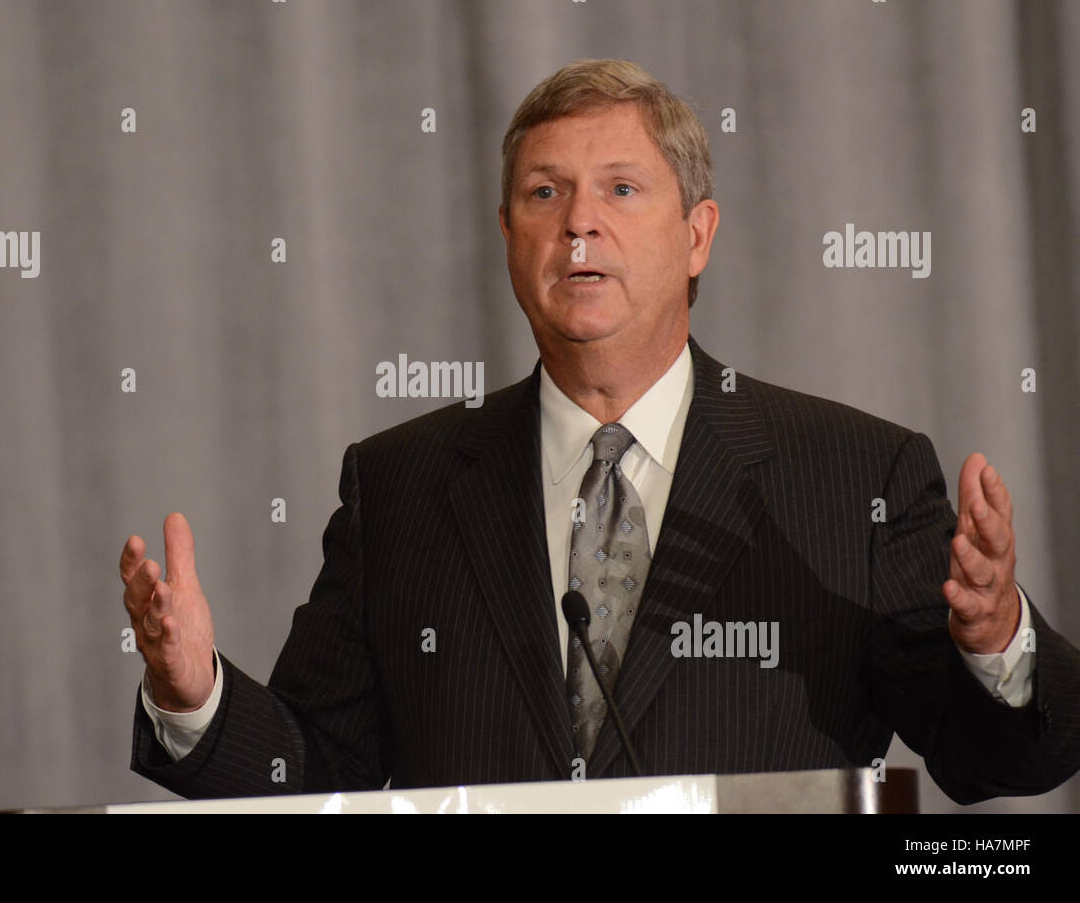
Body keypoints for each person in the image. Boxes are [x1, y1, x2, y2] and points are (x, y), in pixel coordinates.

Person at [122, 58, 1080, 803]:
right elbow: (314, 776)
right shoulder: (400, 487)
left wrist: (996, 640)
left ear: (697, 233)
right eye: (545, 194)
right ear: (507, 235)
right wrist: (194, 693)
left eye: (621, 189)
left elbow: (990, 761)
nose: (579, 224)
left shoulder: (855, 474)